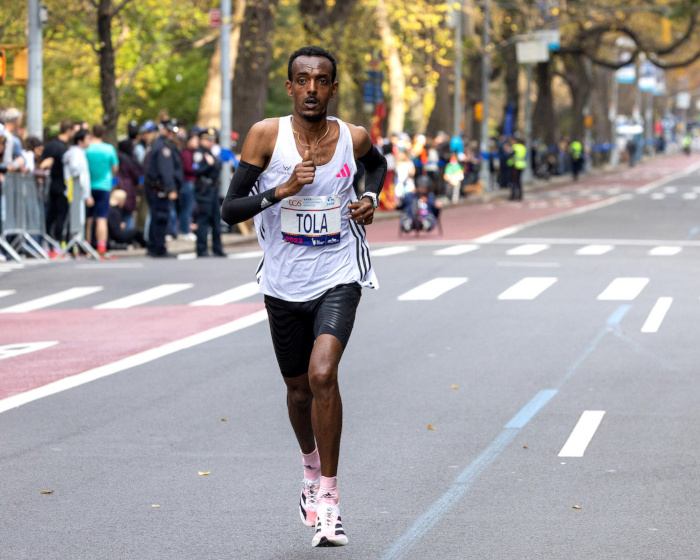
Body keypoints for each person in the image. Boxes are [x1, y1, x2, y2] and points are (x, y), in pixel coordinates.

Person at [220, 45, 387, 548]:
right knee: (297, 391)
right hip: (283, 283)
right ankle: (310, 472)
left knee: (322, 375)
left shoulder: (352, 137)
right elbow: (230, 210)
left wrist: (369, 198)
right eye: (302, 79)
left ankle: (331, 503)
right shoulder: (266, 136)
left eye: (322, 80)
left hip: (339, 272)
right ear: (289, 86)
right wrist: (282, 189)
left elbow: (376, 166)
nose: (312, 88)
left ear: (333, 88)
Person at [144, 119, 181, 258]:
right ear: (163, 130)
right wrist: (171, 188)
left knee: (156, 216)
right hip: (159, 188)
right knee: (160, 217)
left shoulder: (161, 144)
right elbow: (166, 170)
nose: (172, 134)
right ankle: (159, 248)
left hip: (156, 187)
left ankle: (154, 247)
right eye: (169, 131)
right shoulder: (163, 147)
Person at [85, 124, 119, 257]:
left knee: (88, 218)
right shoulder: (108, 149)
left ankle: (87, 245)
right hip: (104, 186)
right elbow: (115, 167)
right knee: (102, 218)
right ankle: (101, 247)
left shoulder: (87, 149)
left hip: (88, 186)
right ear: (103, 134)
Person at [194, 128, 224, 257]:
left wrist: (212, 164)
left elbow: (218, 167)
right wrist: (209, 165)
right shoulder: (199, 154)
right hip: (203, 190)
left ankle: (217, 248)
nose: (211, 142)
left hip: (213, 190)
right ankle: (201, 249)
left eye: (213, 140)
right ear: (201, 140)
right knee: (203, 220)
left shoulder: (211, 153)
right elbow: (197, 171)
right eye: (208, 139)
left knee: (216, 219)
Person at [178, 132, 199, 240]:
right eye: (194, 140)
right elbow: (188, 168)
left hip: (191, 182)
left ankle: (186, 229)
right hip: (187, 182)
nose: (197, 143)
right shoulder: (186, 153)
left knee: (190, 207)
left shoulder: (193, 153)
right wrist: (197, 168)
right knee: (187, 207)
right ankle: (184, 230)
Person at [510, 135, 526, 200]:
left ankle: (513, 196)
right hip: (522, 165)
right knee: (519, 182)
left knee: (514, 182)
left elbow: (510, 155)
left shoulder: (515, 147)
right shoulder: (523, 147)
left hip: (515, 166)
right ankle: (520, 195)